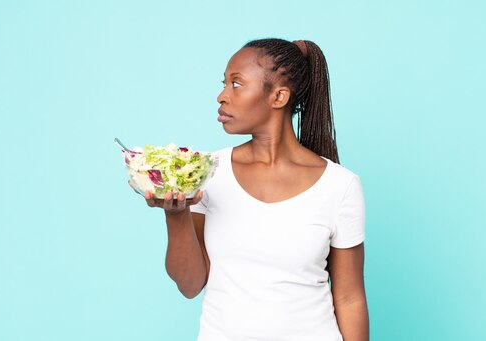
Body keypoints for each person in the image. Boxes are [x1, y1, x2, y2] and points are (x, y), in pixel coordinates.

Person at [135, 38, 368, 340]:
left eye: (236, 84)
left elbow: (350, 299)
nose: (221, 96)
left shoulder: (340, 185)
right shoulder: (207, 171)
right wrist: (175, 215)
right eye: (224, 83)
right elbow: (190, 284)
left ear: (279, 97)